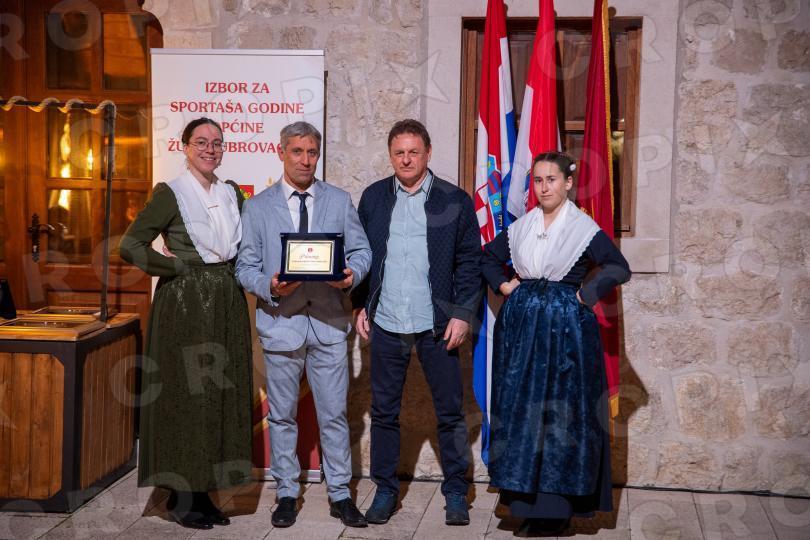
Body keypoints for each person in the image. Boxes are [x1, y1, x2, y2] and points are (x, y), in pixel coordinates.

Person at [481, 151, 631, 536]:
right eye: (538, 180)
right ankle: (526, 504)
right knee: (523, 414)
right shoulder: (522, 227)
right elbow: (487, 259)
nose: (544, 187)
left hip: (566, 334)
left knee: (559, 415)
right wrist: (505, 285)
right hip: (522, 332)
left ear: (568, 183)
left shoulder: (582, 228)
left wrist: (585, 295)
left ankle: (556, 510)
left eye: (551, 180)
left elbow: (618, 267)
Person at [235, 121, 372, 529]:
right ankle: (286, 493)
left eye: (312, 152)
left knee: (334, 414)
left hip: (329, 324)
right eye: (297, 151)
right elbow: (245, 265)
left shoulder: (339, 200)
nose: (305, 160)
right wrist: (270, 286)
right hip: (281, 323)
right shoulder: (258, 207)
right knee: (282, 417)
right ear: (282, 153)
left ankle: (341, 494)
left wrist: (350, 277)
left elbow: (362, 251)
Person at [119, 117, 252, 530]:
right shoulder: (171, 193)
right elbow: (130, 245)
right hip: (185, 303)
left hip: (226, 299)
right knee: (188, 396)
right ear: (185, 146)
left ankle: (205, 492)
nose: (210, 149)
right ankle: (181, 496)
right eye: (201, 142)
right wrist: (174, 267)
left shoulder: (231, 193)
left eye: (217, 143)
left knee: (219, 394)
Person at [352, 119, 481, 526]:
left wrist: (462, 313)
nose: (406, 159)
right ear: (390, 156)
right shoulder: (374, 198)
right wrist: (360, 304)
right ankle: (385, 491)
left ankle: (456, 491)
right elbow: (361, 255)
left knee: (450, 412)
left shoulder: (454, 200)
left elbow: (470, 262)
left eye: (413, 152)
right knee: (384, 412)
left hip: (436, 324)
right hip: (387, 321)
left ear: (428, 153)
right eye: (399, 153)